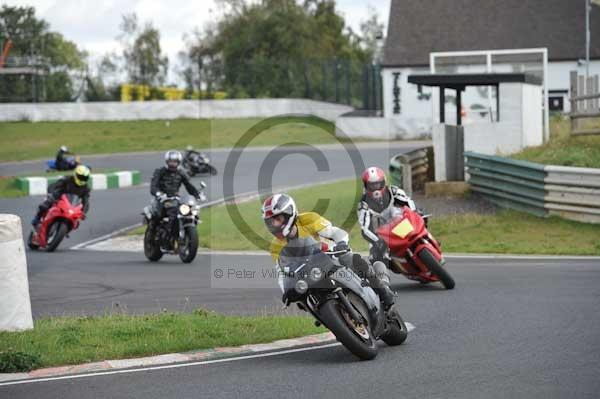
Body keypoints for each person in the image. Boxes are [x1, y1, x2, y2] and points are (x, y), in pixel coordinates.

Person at [262, 193, 395, 308]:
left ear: (289, 213)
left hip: (332, 257)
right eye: (270, 222)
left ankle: (383, 290)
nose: (274, 225)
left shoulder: (308, 219)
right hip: (309, 273)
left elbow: (335, 233)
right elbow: (281, 273)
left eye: (277, 219)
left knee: (351, 258)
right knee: (303, 301)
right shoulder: (275, 246)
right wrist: (286, 290)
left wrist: (341, 244)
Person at [357, 166, 419, 264]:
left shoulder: (393, 191)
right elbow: (364, 228)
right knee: (374, 257)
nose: (375, 188)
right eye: (371, 185)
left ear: (383, 182)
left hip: (401, 224)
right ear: (366, 185)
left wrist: (416, 213)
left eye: (377, 184)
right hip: (384, 236)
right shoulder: (363, 204)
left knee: (421, 222)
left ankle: (430, 243)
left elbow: (409, 202)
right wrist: (377, 241)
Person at [149, 150, 206, 223]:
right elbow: (153, 186)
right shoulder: (160, 171)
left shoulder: (181, 173)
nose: (173, 164)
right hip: (161, 199)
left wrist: (197, 195)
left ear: (178, 162)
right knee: (156, 218)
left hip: (175, 199)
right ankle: (152, 232)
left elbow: (189, 186)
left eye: (175, 162)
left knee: (189, 213)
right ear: (167, 162)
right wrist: (158, 193)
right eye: (171, 161)